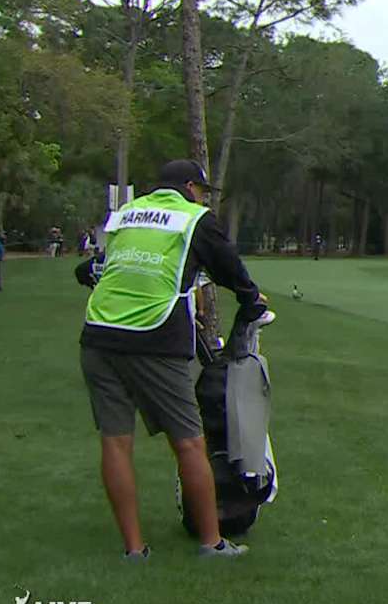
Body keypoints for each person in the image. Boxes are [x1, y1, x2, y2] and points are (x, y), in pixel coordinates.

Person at [74, 160, 267, 562]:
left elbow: (99, 266)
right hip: (154, 336)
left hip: (98, 334)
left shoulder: (128, 214)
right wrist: (251, 299)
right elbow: (230, 267)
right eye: (202, 190)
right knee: (191, 443)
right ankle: (212, 544)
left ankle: (134, 549)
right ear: (191, 187)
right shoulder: (193, 218)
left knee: (115, 441)